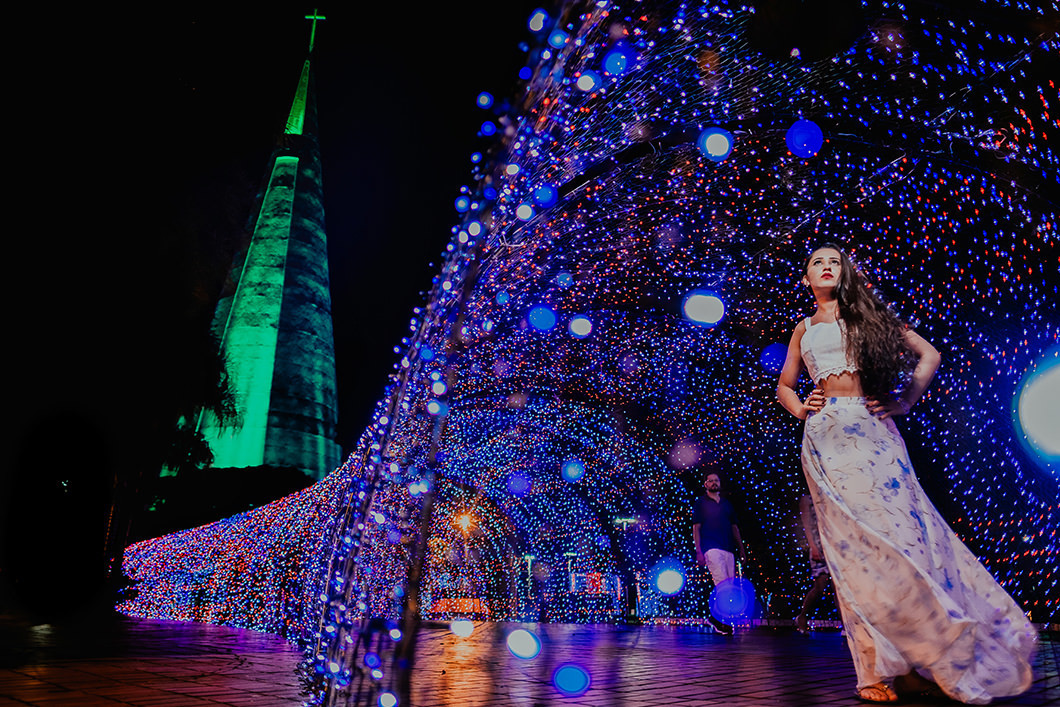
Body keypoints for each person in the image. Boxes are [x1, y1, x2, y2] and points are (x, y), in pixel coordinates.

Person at [775, 243, 1037, 704]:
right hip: (826, 438)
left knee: (906, 543)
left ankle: (914, 660)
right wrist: (801, 408)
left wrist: (904, 402)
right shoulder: (802, 328)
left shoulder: (869, 317)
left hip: (875, 433)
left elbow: (928, 355)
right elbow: (784, 384)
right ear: (806, 278)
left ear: (846, 273)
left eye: (835, 261)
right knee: (851, 554)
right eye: (817, 261)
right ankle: (872, 672)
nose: (827, 266)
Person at [692, 471, 746, 635]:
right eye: (711, 481)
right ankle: (719, 619)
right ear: (706, 484)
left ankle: (719, 619)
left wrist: (741, 549)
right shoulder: (701, 503)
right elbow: (696, 527)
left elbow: (734, 527)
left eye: (716, 480)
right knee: (722, 584)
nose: (714, 483)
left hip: (728, 548)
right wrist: (699, 551)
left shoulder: (726, 504)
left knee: (729, 586)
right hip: (711, 547)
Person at [794, 492, 833, 634]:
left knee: (838, 587)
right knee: (820, 587)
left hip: (833, 545)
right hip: (818, 545)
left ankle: (846, 624)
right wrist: (813, 546)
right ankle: (802, 616)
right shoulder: (807, 498)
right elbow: (806, 524)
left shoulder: (827, 495)